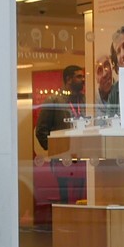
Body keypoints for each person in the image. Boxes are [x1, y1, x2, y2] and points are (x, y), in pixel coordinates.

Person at [34, 65, 86, 204]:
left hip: (83, 155)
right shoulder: (54, 100)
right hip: (62, 157)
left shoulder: (85, 100)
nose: (83, 79)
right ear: (68, 79)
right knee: (63, 197)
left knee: (83, 196)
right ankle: (63, 222)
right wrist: (54, 151)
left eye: (83, 76)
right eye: (79, 76)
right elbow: (41, 130)